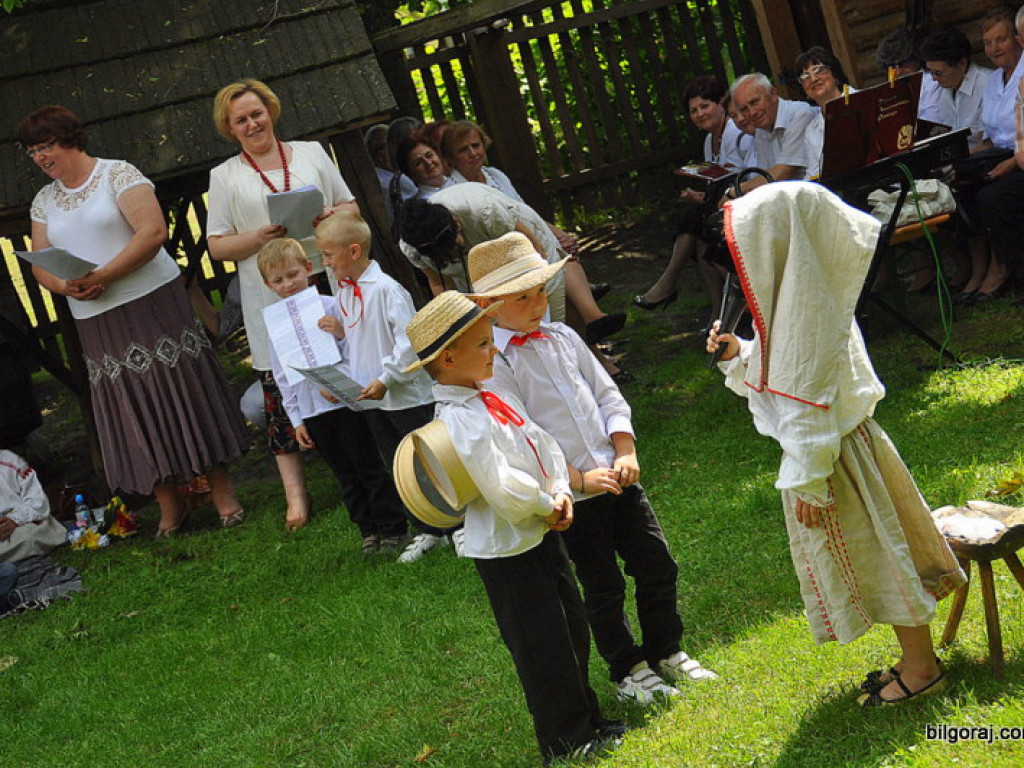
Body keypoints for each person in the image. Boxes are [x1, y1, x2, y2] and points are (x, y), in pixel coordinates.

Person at [706, 182, 966, 706]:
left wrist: (809, 482)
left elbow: (807, 404)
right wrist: (740, 353)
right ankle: (915, 658)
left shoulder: (809, 323)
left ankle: (920, 667)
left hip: (835, 465)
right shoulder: (807, 306)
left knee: (883, 565)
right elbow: (785, 374)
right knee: (884, 559)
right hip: (847, 453)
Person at [470, 233, 717, 705]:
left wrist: (625, 450)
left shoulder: (564, 337)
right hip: (575, 497)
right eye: (523, 297)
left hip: (619, 479)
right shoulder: (496, 363)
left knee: (657, 563)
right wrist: (578, 479)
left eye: (541, 290)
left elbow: (607, 394)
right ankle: (628, 668)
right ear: (489, 305)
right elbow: (525, 435)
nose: (538, 303)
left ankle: (667, 649)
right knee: (602, 585)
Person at [404, 291, 624, 764]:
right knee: (541, 646)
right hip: (508, 550)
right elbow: (501, 484)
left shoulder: (490, 398)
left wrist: (561, 487)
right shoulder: (460, 420)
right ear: (449, 358)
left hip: (540, 531)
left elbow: (540, 441)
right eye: (483, 345)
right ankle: (565, 740)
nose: (494, 351)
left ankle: (587, 717)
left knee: (571, 628)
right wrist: (547, 502)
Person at [18, 106, 249, 536]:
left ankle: (222, 493)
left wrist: (106, 275)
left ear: (69, 139)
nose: (39, 157)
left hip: (150, 303)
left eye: (44, 146)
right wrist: (64, 287)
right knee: (129, 404)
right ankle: (169, 504)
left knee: (182, 388)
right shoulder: (44, 200)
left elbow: (152, 232)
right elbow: (39, 262)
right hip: (95, 319)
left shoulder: (117, 175)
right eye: (32, 151)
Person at [206, 79, 359, 529]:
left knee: (349, 365)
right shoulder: (225, 176)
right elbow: (217, 246)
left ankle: (368, 458)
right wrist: (257, 238)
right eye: (241, 119)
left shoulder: (311, 152)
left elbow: (351, 206)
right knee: (283, 388)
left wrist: (334, 216)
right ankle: (296, 495)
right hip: (272, 294)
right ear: (229, 128)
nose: (252, 123)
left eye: (257, 113)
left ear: (270, 111)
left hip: (324, 276)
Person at [258, 238, 409, 548]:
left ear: (308, 269)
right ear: (268, 285)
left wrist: (339, 332)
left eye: (293, 275)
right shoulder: (276, 326)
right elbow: (283, 377)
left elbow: (357, 348)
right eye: (279, 280)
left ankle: (393, 527)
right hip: (314, 411)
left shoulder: (333, 305)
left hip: (345, 403)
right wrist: (297, 420)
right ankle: (367, 530)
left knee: (368, 465)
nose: (288, 284)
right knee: (345, 473)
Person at [314, 212, 444, 563]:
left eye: (328, 255)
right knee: (398, 466)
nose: (324, 262)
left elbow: (409, 342)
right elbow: (358, 343)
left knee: (427, 460)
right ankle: (427, 529)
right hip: (373, 401)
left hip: (403, 396)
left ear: (354, 251)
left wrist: (386, 379)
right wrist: (340, 378)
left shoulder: (387, 290)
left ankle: (456, 522)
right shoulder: (344, 293)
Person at [399, 187, 627, 378]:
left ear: (456, 222)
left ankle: (576, 383)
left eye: (453, 242)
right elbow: (441, 285)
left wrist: (533, 294)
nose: (454, 250)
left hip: (530, 258)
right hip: (485, 279)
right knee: (509, 345)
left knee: (548, 332)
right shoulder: (413, 248)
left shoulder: (485, 211)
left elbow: (535, 250)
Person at [634, 76, 752, 314]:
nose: (700, 114)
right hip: (723, 204)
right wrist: (701, 196)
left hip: (745, 201)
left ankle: (667, 283)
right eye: (694, 111)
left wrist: (702, 199)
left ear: (721, 104)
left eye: (705, 106)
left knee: (695, 219)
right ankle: (719, 314)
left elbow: (744, 178)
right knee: (699, 237)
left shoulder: (738, 134)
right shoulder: (710, 140)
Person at [439, 119, 581, 255]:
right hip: (500, 257)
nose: (473, 153)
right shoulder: (452, 193)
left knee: (569, 253)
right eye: (463, 150)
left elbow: (527, 215)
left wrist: (560, 236)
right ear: (450, 157)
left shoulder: (495, 175)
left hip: (531, 244)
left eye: (476, 145)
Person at [729, 72, 818, 194]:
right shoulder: (761, 128)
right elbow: (765, 175)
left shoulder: (799, 114)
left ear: (773, 93)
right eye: (744, 109)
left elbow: (781, 174)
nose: (752, 112)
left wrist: (736, 191)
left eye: (755, 102)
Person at [920, 27, 992, 152]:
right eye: (930, 72)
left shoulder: (987, 85)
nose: (934, 79)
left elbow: (989, 144)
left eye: (938, 73)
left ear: (962, 64)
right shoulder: (945, 91)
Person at [0, 448, 67, 563]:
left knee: (29, 537)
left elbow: (37, 502)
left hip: (21, 524)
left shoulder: (10, 461)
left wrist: (14, 520)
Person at [795, 46, 851, 179]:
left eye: (818, 70)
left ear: (835, 75)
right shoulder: (811, 131)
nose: (813, 79)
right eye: (805, 76)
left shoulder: (865, 101)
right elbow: (815, 173)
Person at [876, 27, 951, 127]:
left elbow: (933, 122)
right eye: (893, 67)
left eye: (902, 64)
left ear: (915, 58)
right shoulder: (896, 87)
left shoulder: (932, 81)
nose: (898, 72)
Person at [395, 134, 451, 201]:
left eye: (429, 155)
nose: (428, 163)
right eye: (418, 163)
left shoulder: (459, 181)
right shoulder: (424, 204)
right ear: (411, 174)